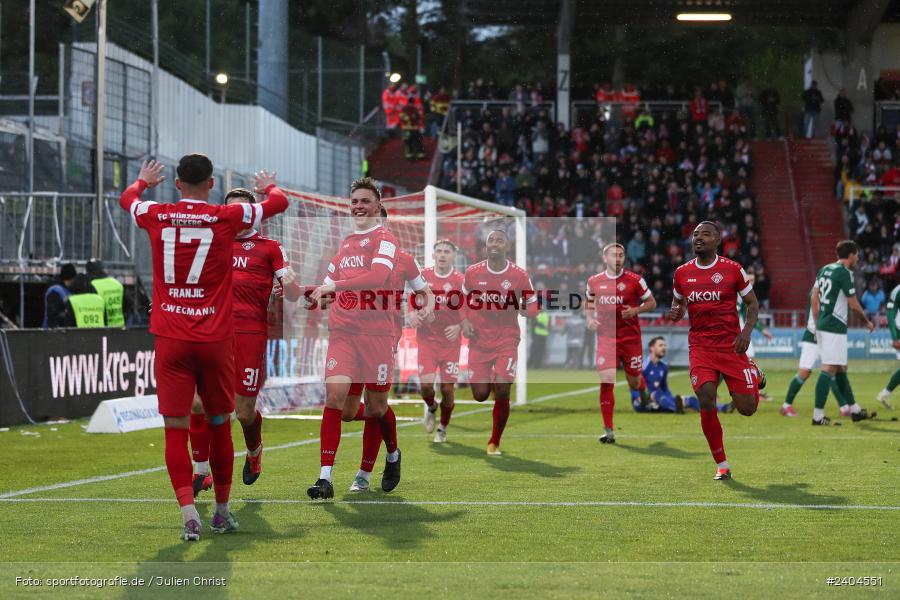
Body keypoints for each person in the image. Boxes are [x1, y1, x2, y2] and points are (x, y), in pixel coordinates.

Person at [119, 156, 289, 541]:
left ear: (177, 184)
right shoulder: (225, 217)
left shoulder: (156, 213)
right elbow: (278, 203)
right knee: (218, 424)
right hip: (214, 338)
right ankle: (223, 513)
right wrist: (268, 188)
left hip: (172, 337)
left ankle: (188, 514)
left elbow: (126, 198)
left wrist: (143, 181)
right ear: (211, 183)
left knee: (175, 430)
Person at [189, 187, 302, 497]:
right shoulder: (213, 245)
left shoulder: (270, 247)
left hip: (250, 334)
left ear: (253, 212)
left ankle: (254, 451)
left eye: (242, 209)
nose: (236, 215)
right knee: (199, 403)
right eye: (231, 209)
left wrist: (290, 286)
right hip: (213, 333)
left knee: (243, 413)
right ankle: (201, 470)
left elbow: (292, 292)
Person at [305, 177, 404, 499]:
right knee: (336, 401)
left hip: (376, 334)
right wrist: (315, 295)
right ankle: (324, 478)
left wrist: (333, 288)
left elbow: (377, 277)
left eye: (365, 201)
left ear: (377, 205)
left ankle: (392, 455)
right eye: (355, 202)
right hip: (343, 331)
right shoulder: (345, 245)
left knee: (376, 409)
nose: (359, 206)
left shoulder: (385, 239)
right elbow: (327, 285)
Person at [667, 221, 766, 481]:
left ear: (717, 240)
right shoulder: (681, 273)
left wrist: (746, 332)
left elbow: (753, 304)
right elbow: (677, 304)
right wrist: (676, 312)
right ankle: (722, 464)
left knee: (747, 408)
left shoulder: (733, 270)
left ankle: (753, 372)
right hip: (700, 347)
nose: (698, 238)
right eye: (695, 235)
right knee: (706, 398)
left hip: (731, 346)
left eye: (705, 234)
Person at [345, 209, 433, 493]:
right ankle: (387, 453)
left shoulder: (404, 259)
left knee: (376, 405)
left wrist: (424, 312)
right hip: (351, 335)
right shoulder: (351, 254)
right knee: (347, 410)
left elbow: (426, 294)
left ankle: (370, 469)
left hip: (383, 337)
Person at [461, 229, 539, 456]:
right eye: (491, 240)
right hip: (479, 339)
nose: (494, 243)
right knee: (480, 394)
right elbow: (460, 299)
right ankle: (493, 385)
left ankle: (494, 441)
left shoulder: (519, 275)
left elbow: (534, 305)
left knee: (503, 388)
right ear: (486, 246)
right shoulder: (473, 272)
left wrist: (527, 310)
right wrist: (464, 320)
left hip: (506, 338)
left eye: (500, 240)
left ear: (507, 246)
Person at [585, 243, 656, 444]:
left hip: (630, 338)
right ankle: (608, 430)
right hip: (606, 338)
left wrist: (635, 311)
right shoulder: (594, 281)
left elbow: (652, 303)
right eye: (614, 255)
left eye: (621, 255)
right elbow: (589, 302)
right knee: (607, 379)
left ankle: (643, 391)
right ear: (604, 258)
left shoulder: (635, 280)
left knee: (634, 381)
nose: (618, 259)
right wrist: (589, 319)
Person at [809, 240, 876, 425]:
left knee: (840, 368)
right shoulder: (844, 273)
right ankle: (817, 416)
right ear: (851, 255)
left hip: (824, 323)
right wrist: (867, 322)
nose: (858, 258)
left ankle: (854, 410)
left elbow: (815, 299)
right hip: (834, 325)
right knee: (829, 368)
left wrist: (816, 324)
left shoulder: (824, 269)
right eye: (857, 254)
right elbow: (853, 305)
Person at [417, 239, 465, 444]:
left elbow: (471, 310)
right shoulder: (423, 277)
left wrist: (460, 326)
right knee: (426, 387)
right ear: (433, 255)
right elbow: (410, 300)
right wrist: (412, 314)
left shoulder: (460, 281)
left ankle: (443, 428)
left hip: (450, 342)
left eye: (447, 251)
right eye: (439, 251)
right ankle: (432, 407)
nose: (443, 254)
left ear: (454, 256)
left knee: (447, 389)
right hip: (427, 340)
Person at [630, 337, 732, 413]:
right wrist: (638, 397)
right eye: (660, 345)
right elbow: (635, 384)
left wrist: (669, 398)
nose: (664, 348)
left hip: (660, 400)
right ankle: (676, 408)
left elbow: (664, 387)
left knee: (691, 400)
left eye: (665, 345)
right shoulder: (643, 365)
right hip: (641, 401)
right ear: (652, 348)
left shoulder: (664, 367)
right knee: (659, 395)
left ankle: (723, 408)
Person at [781, 287, 820, 417]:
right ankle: (786, 406)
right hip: (813, 335)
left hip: (822, 335)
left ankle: (846, 407)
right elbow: (817, 311)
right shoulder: (818, 290)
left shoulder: (821, 289)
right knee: (804, 372)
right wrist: (817, 330)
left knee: (833, 369)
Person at [876, 283, 899, 409]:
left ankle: (884, 394)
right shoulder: (897, 291)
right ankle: (884, 394)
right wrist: (895, 337)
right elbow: (890, 313)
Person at [86, 259, 125, 328]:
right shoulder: (116, 283)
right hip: (120, 327)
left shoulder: (91, 285)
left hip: (103, 329)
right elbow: (126, 304)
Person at [43, 263, 78, 329]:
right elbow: (53, 314)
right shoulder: (55, 291)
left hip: (59, 330)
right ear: (72, 278)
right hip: (52, 332)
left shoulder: (66, 290)